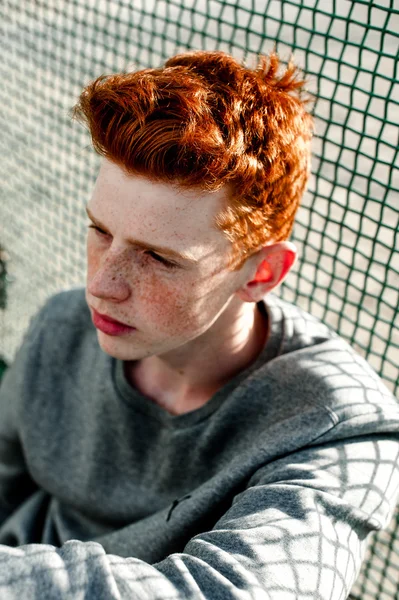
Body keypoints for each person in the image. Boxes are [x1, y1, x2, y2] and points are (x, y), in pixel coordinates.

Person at [0, 50, 398, 600]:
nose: (101, 285)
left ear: (262, 272)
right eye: (99, 230)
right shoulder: (63, 324)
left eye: (158, 258)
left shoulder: (340, 425)